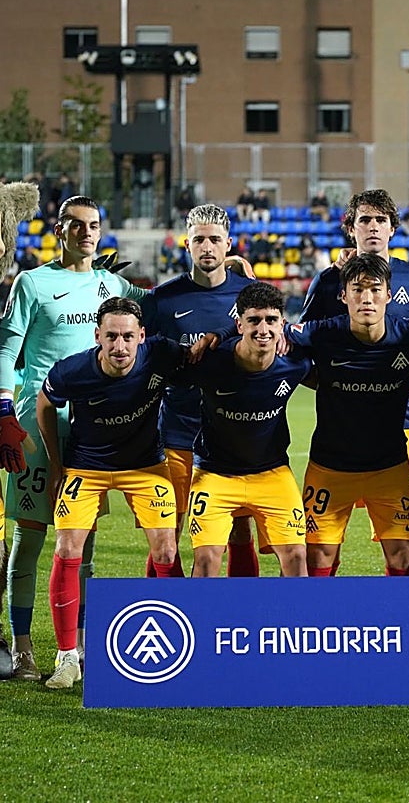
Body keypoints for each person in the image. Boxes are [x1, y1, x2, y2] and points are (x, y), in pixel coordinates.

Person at [0, 195, 145, 681]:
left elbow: (165, 305)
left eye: (94, 225)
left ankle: (75, 647)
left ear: (102, 231)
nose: (86, 232)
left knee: (84, 544)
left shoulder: (115, 285)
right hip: (39, 426)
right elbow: (6, 351)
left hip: (91, 429)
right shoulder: (33, 282)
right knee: (31, 537)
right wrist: (3, 413)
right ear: (58, 230)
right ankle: (20, 645)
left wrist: (232, 269)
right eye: (75, 225)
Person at [37, 296, 186, 689]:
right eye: (111, 337)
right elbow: (44, 404)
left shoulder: (161, 355)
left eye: (127, 337)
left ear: (142, 336)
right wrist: (56, 463)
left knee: (167, 550)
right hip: (86, 467)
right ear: (97, 336)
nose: (120, 347)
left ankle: (174, 644)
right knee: (68, 548)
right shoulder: (73, 371)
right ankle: (67, 658)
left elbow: (204, 357)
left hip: (145, 465)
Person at [301, 188, 409, 574]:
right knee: (322, 547)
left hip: (404, 419)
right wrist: (336, 380)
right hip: (343, 423)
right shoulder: (329, 281)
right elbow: (303, 342)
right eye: (365, 219)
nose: (373, 227)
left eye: (381, 220)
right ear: (352, 228)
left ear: (393, 228)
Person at [140, 204, 259, 578]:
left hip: (232, 435)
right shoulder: (162, 299)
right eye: (199, 240)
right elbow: (147, 360)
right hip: (178, 431)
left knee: (239, 529)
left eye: (214, 240)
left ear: (228, 245)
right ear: (186, 245)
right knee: (167, 532)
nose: (207, 247)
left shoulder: (250, 295)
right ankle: (166, 617)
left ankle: (243, 611)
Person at [179, 283, 313, 578]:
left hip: (272, 473)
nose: (262, 329)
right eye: (253, 320)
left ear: (282, 324)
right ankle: (204, 623)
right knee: (206, 560)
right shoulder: (209, 362)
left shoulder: (295, 363)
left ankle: (289, 623)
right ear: (239, 324)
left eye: (271, 320)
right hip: (215, 474)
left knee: (296, 556)